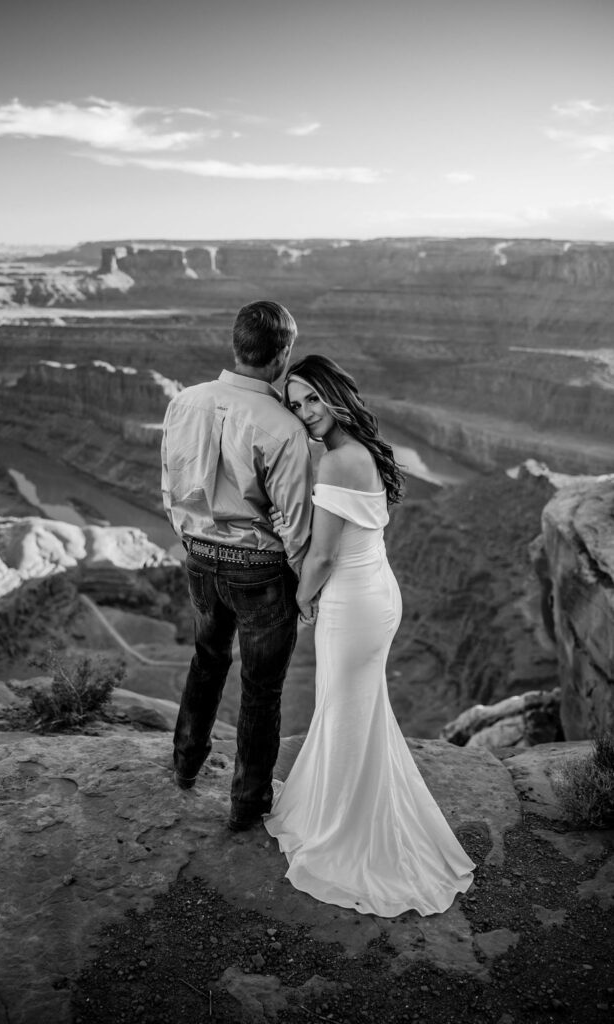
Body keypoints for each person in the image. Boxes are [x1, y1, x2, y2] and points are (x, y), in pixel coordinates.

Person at [264, 354, 475, 917]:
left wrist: (302, 597)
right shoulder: (356, 453)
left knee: (346, 708)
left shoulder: (337, 464)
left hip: (351, 602)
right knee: (355, 708)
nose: (305, 412)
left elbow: (325, 554)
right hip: (375, 591)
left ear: (334, 395)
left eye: (312, 398)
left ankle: (350, 832)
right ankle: (345, 809)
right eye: (295, 403)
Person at [160, 300, 314, 832]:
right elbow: (295, 524)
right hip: (262, 571)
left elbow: (171, 486)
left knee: (206, 659)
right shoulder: (286, 429)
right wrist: (304, 584)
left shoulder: (184, 403)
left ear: (236, 344)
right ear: (283, 354)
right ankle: (247, 804)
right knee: (261, 686)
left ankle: (185, 763)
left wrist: (191, 538)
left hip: (200, 558)